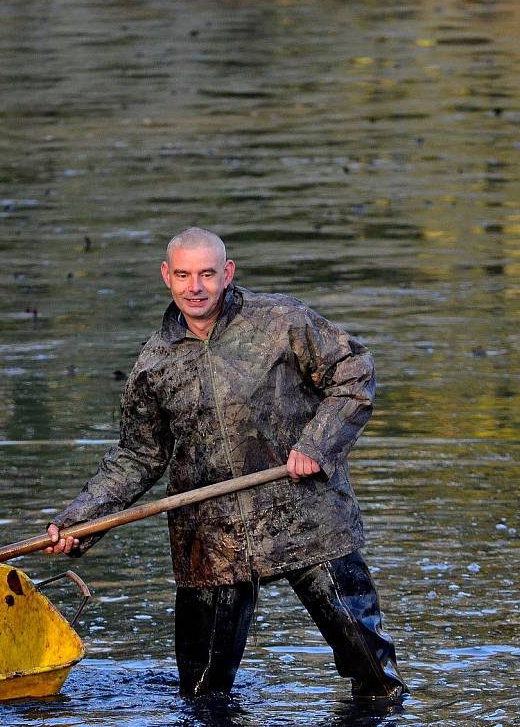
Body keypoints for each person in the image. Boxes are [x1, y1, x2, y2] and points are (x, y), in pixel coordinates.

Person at [46, 227, 407, 700]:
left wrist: (317, 445)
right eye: (183, 275)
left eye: (206, 274)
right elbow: (137, 456)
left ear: (227, 273)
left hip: (309, 519)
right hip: (212, 541)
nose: (194, 287)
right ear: (166, 277)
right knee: (201, 698)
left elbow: (355, 373)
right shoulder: (154, 364)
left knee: (377, 681)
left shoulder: (283, 322)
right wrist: (81, 521)